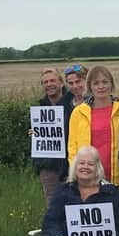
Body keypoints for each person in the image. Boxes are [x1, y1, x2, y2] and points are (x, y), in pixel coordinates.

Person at [67, 66, 119, 188]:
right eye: (96, 83)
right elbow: (72, 148)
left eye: (105, 82)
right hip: (89, 180)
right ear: (90, 86)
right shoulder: (78, 113)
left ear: (112, 84)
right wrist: (78, 174)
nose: (101, 86)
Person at [34, 68, 68, 205]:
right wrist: (33, 133)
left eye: (53, 80)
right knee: (53, 207)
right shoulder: (40, 107)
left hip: (69, 166)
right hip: (48, 168)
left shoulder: (72, 104)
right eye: (45, 82)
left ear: (61, 83)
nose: (49, 84)